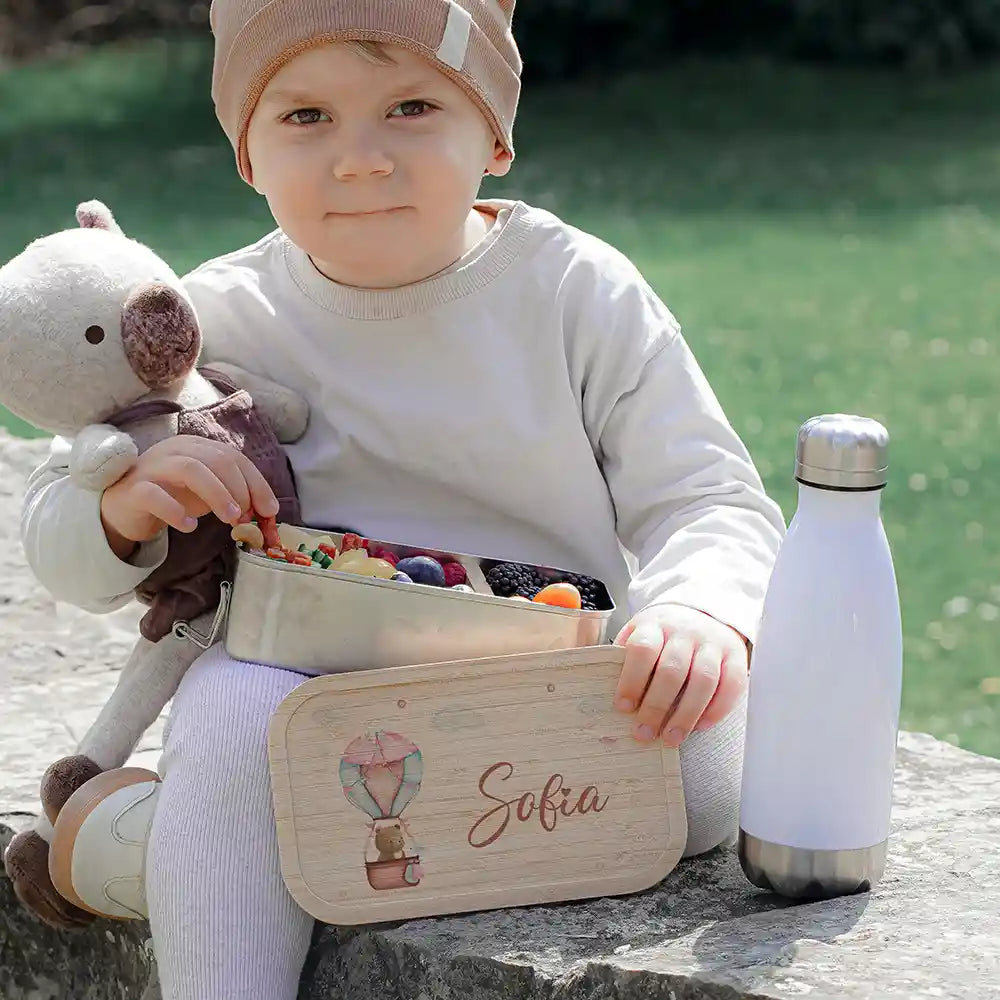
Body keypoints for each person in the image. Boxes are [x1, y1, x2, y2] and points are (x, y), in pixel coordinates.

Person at [19, 1, 786, 997]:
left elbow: (708, 494)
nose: (361, 160)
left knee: (703, 776)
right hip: (315, 702)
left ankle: (157, 843)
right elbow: (52, 531)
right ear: (245, 155)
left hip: (546, 688)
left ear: (495, 134)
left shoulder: (574, 292)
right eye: (304, 118)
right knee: (229, 704)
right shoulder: (204, 321)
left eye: (412, 106)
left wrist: (698, 611)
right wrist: (120, 508)